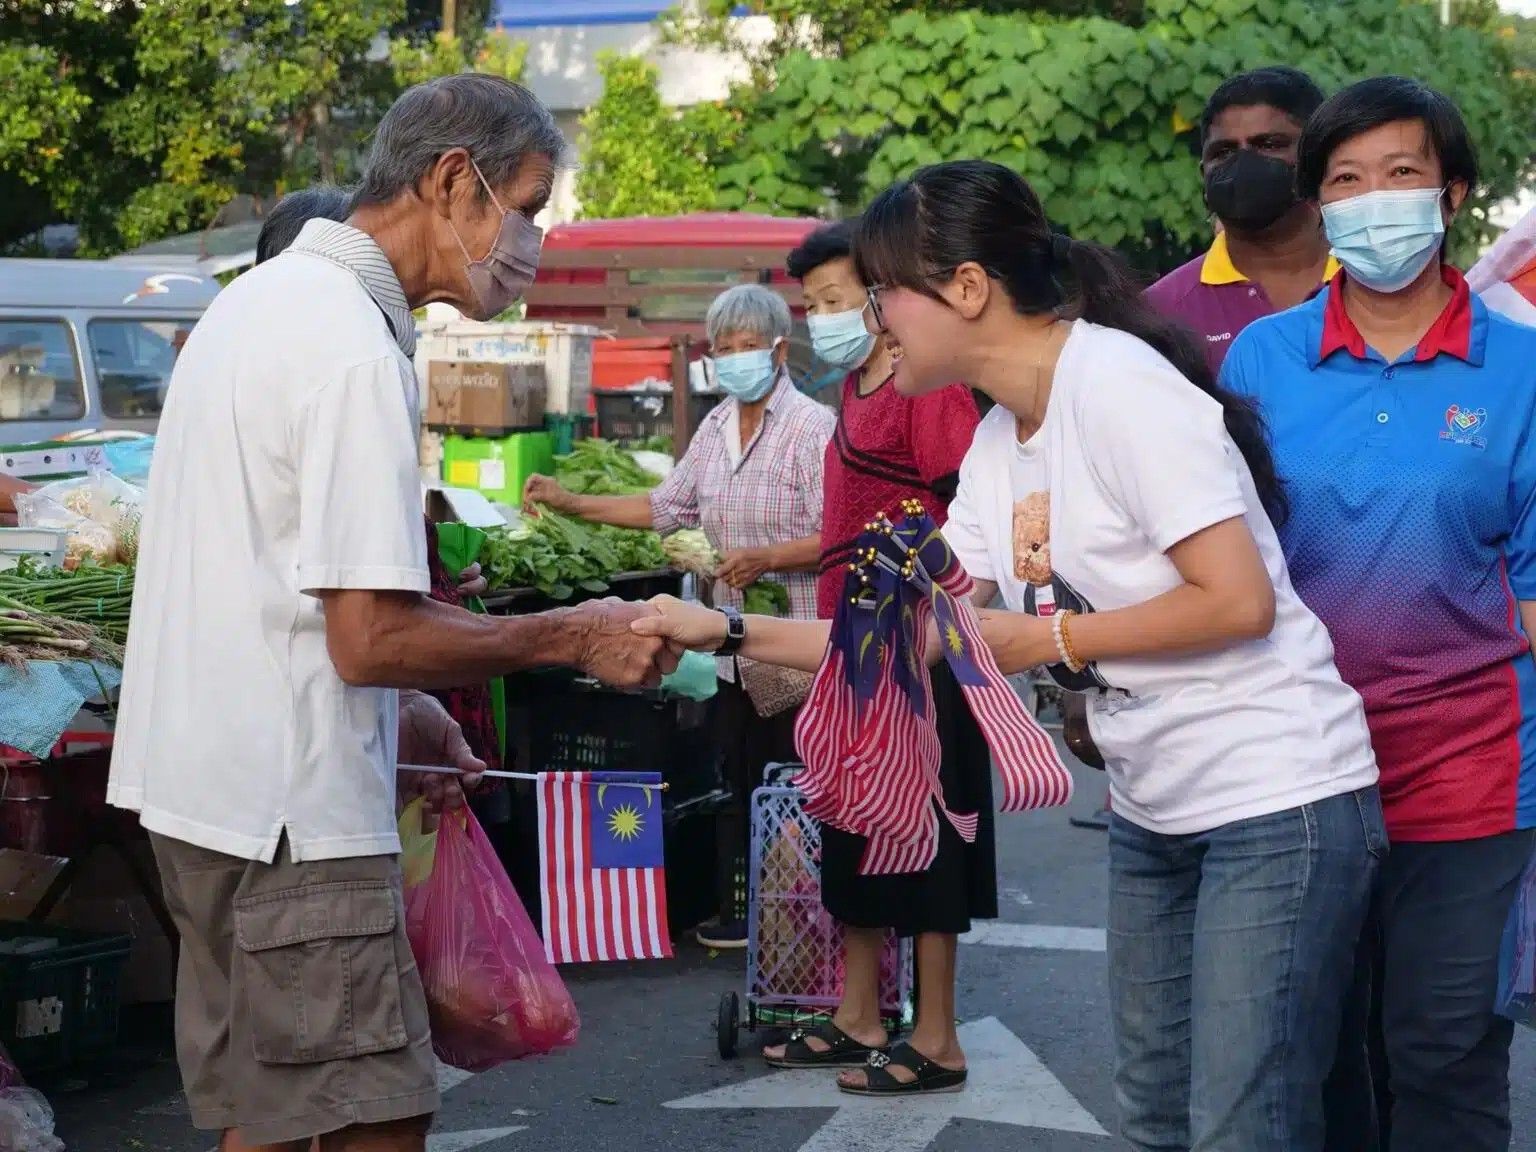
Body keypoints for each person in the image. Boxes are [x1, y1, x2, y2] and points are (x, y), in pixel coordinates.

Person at [633, 160, 1383, 1142]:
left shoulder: (1117, 390)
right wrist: (725, 631)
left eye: (884, 292)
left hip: (1276, 802)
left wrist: (1052, 637)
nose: (873, 320)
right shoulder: (996, 446)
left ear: (967, 288)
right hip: (1156, 808)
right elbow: (902, 633)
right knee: (1155, 1111)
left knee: (1241, 1121)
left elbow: (1239, 601)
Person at [108, 75, 673, 1152]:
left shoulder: (255, 305)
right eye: (530, 206)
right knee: (375, 1117)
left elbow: (270, 583)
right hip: (293, 821)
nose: (533, 240)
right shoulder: (353, 347)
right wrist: (571, 634)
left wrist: (405, 713)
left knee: (272, 1116)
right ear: (454, 182)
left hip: (202, 796)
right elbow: (370, 636)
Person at [1220, 77, 1536, 1152]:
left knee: (1444, 1050)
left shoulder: (1522, 370)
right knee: (1313, 1055)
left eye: (1401, 173)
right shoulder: (1263, 360)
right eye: (1345, 180)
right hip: (1302, 769)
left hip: (1472, 769)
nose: (1372, 201)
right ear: (1318, 203)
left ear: (1452, 195)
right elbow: (1230, 563)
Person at [523, 282, 835, 949]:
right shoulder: (717, 427)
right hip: (732, 654)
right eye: (724, 348)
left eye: (748, 346)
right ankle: (754, 914)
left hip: (798, 651)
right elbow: (665, 508)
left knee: (798, 782)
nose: (735, 358)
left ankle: (810, 920)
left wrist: (769, 557)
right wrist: (568, 501)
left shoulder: (813, 430)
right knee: (741, 779)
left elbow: (842, 536)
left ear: (779, 352)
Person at [755, 221, 988, 1087]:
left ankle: (937, 1036)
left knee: (929, 839)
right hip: (851, 652)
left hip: (921, 650)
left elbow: (966, 515)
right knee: (855, 830)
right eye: (813, 303)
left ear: (883, 296)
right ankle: (859, 1015)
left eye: (838, 297)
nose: (825, 316)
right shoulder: (857, 387)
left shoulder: (927, 387)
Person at [255, 186, 501, 776]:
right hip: (327, 740)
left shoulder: (361, 355)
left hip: (400, 714)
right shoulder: (346, 360)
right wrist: (562, 635)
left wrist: (438, 576)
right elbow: (357, 624)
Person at [1148, 66, 1334, 374]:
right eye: (1224, 152)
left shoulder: (1375, 284)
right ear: (1203, 173)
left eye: (1269, 145)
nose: (1244, 163)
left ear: (1319, 159)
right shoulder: (1159, 314)